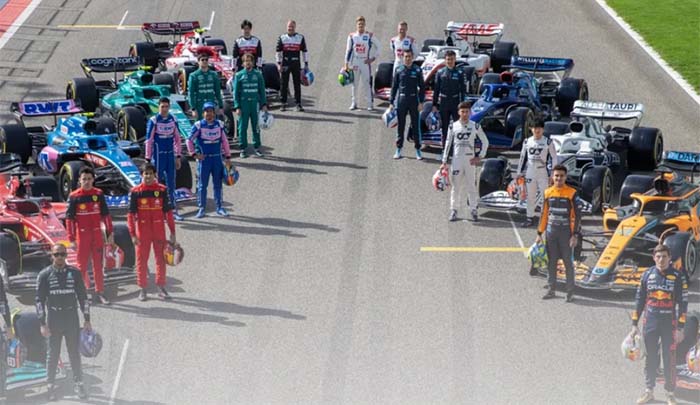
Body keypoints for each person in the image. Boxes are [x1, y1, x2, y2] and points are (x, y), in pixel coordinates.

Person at [631, 244, 688, 405]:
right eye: (658, 256)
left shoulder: (678, 276)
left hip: (669, 324)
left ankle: (670, 394)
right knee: (650, 358)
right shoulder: (647, 275)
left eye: (664, 256)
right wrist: (634, 324)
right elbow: (639, 300)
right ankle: (649, 391)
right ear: (653, 258)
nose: (661, 259)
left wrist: (681, 328)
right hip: (650, 322)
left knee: (669, 358)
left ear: (669, 258)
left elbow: (683, 303)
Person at [36, 243, 91, 401]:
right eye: (56, 254)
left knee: (74, 353)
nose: (60, 257)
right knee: (52, 354)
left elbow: (83, 297)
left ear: (66, 256)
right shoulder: (44, 275)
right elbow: (39, 301)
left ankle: (79, 383)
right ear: (51, 256)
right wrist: (42, 323)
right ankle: (50, 386)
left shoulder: (74, 273)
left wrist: (87, 319)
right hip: (54, 319)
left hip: (71, 318)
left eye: (62, 254)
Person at [128, 162, 178, 301]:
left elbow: (168, 213)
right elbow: (131, 215)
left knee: (161, 259)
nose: (148, 176)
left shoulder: (162, 190)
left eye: (150, 173)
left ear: (154, 175)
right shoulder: (135, 192)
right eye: (146, 174)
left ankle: (161, 287)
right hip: (142, 231)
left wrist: (173, 232)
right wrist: (132, 234)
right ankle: (142, 289)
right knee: (141, 260)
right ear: (141, 175)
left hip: (158, 230)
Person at [65, 166, 113, 305]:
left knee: (98, 265)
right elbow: (69, 219)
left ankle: (100, 292)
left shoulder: (98, 194)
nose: (86, 181)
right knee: (82, 265)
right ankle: (84, 292)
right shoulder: (74, 196)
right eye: (84, 179)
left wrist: (110, 233)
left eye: (89, 179)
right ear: (79, 180)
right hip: (82, 235)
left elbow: (106, 215)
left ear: (93, 180)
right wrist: (71, 239)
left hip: (97, 234)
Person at [536, 164, 580, 302]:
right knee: (551, 262)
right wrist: (539, 233)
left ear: (565, 177)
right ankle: (551, 289)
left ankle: (570, 292)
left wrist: (575, 235)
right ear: (552, 177)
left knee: (568, 263)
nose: (559, 178)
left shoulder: (572, 193)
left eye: (561, 176)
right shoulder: (547, 192)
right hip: (551, 232)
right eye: (556, 175)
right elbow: (544, 214)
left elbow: (578, 216)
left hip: (566, 233)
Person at [440, 101, 489, 222]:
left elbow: (485, 142)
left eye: (467, 111)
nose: (465, 114)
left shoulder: (475, 126)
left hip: (470, 161)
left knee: (471, 186)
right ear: (458, 112)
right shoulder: (453, 126)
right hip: (456, 160)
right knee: (456, 187)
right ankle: (454, 210)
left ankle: (473, 210)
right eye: (462, 111)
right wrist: (444, 161)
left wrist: (480, 156)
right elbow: (448, 143)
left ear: (470, 112)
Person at [187, 102, 232, 218]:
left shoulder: (220, 125)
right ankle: (201, 209)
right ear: (203, 113)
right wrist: (194, 154)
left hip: (217, 159)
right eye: (207, 111)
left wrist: (228, 157)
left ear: (214, 113)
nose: (209, 114)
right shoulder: (198, 125)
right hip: (204, 161)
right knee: (202, 185)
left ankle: (219, 207)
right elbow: (189, 141)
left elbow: (225, 142)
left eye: (211, 111)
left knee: (218, 185)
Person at [145, 97, 184, 221]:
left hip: (170, 156)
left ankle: (172, 209)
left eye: (167, 107)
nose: (164, 109)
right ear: (158, 107)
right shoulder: (154, 120)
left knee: (171, 183)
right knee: (157, 184)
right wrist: (147, 158)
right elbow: (149, 141)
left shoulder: (173, 119)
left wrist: (178, 156)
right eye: (162, 107)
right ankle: (158, 210)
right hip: (158, 156)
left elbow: (178, 139)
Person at [517, 118, 558, 227]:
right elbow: (522, 157)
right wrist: (519, 172)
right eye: (535, 128)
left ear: (543, 129)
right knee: (530, 196)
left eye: (539, 128)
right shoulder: (527, 141)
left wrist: (553, 174)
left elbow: (554, 157)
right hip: (530, 171)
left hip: (542, 171)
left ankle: (545, 218)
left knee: (546, 195)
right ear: (531, 129)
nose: (537, 131)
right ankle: (529, 218)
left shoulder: (548, 142)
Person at [390, 49, 425, 160]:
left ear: (412, 57)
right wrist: (391, 102)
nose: (408, 58)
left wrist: (421, 102)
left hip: (414, 99)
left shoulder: (417, 70)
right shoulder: (399, 70)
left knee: (415, 126)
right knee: (401, 126)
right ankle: (398, 149)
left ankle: (418, 150)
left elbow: (422, 87)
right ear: (403, 57)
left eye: (409, 56)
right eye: (406, 56)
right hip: (402, 100)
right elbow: (394, 87)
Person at [233, 53, 268, 158]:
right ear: (243, 63)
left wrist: (264, 104)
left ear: (253, 62)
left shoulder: (258, 74)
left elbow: (262, 91)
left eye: (250, 61)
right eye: (246, 61)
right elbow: (236, 93)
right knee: (242, 127)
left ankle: (257, 147)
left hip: (254, 104)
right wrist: (237, 106)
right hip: (244, 104)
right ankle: (243, 148)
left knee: (256, 127)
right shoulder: (239, 75)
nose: (248, 63)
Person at [432, 50, 468, 146]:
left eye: (452, 59)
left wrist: (463, 106)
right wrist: (434, 104)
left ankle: (457, 148)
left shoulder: (460, 72)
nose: (450, 61)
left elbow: (463, 91)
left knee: (458, 126)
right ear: (445, 60)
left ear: (455, 59)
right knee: (444, 127)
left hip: (456, 102)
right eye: (448, 59)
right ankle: (444, 150)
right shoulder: (440, 72)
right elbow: (436, 90)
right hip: (444, 103)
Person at [344, 15, 380, 111]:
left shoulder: (369, 36)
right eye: (359, 24)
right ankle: (354, 103)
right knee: (354, 83)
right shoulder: (352, 36)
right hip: (355, 61)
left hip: (365, 62)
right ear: (356, 25)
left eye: (362, 24)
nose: (361, 26)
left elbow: (379, 46)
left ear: (365, 25)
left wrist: (372, 58)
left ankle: (369, 104)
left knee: (366, 83)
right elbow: (348, 50)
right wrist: (346, 63)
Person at [276, 20, 309, 112]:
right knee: (284, 84)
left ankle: (298, 103)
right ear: (287, 27)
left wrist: (306, 64)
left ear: (295, 27)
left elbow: (305, 51)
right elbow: (278, 52)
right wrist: (279, 64)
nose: (290, 28)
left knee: (297, 84)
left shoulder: (300, 38)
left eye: (292, 27)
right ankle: (283, 103)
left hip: (296, 64)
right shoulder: (282, 38)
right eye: (289, 27)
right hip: (285, 64)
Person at [187, 53, 224, 120]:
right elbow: (191, 93)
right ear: (198, 62)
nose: (204, 61)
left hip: (211, 103)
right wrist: (193, 108)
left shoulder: (214, 75)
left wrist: (221, 106)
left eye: (206, 60)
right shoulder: (193, 76)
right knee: (200, 125)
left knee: (212, 124)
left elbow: (218, 92)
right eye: (202, 60)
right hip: (199, 104)